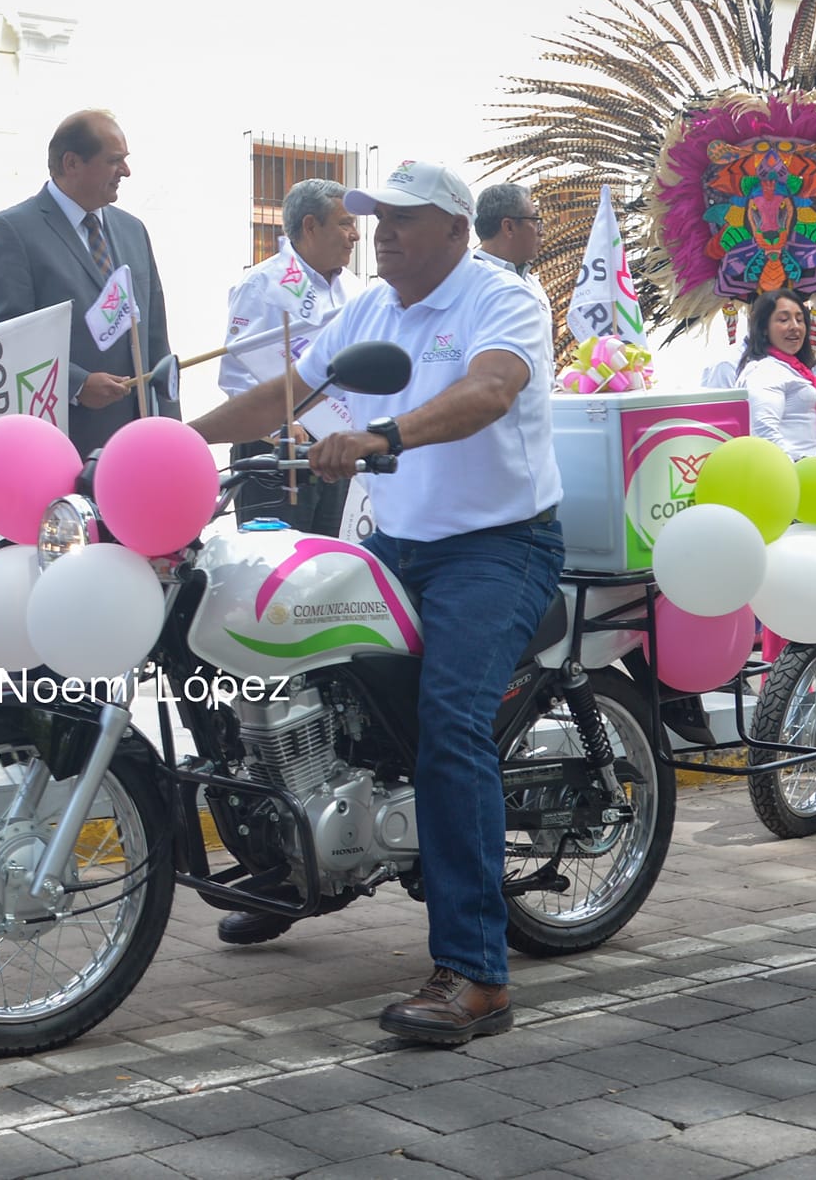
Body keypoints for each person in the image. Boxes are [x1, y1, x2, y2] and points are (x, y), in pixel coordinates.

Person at [191, 157, 565, 1045]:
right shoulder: (369, 309)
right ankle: (290, 865)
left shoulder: (502, 298)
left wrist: (381, 435)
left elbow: (489, 390)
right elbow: (289, 392)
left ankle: (477, 972)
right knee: (290, 670)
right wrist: (170, 439)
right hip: (399, 542)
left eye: (401, 218)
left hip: (498, 545)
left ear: (454, 230)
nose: (381, 232)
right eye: (374, 216)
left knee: (449, 724)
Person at [0, 109, 176, 458]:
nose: (126, 172)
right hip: (60, 442)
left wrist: (169, 433)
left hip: (137, 444)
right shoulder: (12, 231)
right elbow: (3, 340)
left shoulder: (133, 231)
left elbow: (156, 339)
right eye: (114, 161)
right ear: (71, 163)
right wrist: (76, 384)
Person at [219, 177, 362, 533]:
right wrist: (285, 423)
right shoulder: (263, 285)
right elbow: (236, 372)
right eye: (345, 223)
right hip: (276, 455)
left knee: (332, 566)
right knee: (278, 568)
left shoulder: (356, 289)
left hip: (338, 450)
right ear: (311, 226)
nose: (355, 236)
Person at [737, 288, 816, 458]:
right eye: (784, 319)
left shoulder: (796, 370)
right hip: (794, 474)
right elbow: (763, 431)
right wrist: (790, 473)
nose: (795, 327)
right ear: (763, 328)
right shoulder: (765, 370)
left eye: (800, 320)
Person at [471, 182, 551, 313]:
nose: (541, 232)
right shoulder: (468, 283)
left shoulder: (532, 284)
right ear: (509, 227)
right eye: (535, 220)